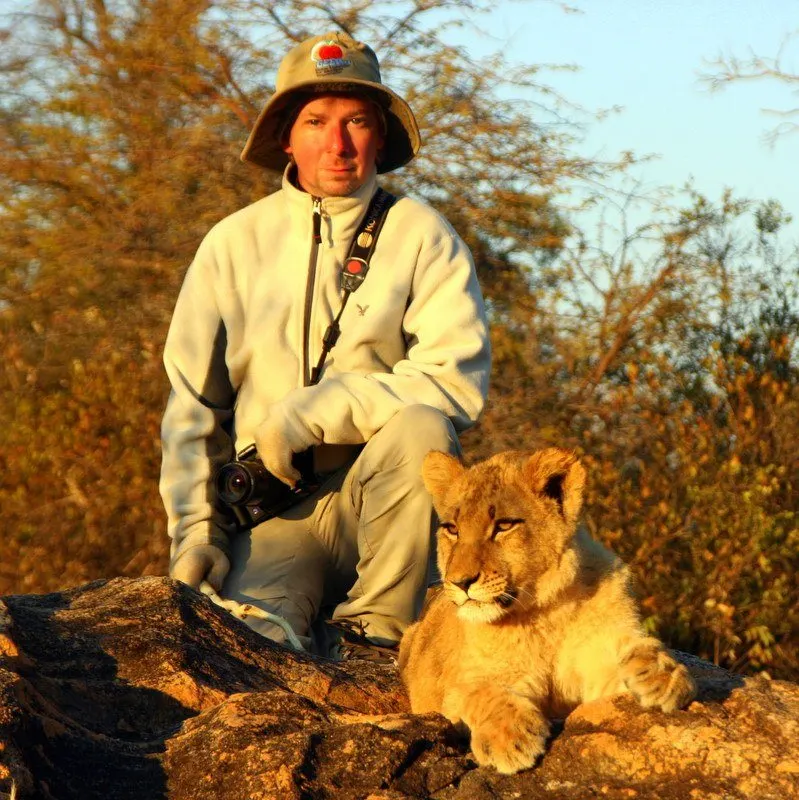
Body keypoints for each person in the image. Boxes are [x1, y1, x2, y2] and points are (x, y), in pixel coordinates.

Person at [159, 30, 491, 659]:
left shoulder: (424, 233)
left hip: (384, 506)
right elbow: (192, 410)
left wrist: (311, 412)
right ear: (287, 135)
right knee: (257, 652)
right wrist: (197, 536)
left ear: (380, 138)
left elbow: (455, 383)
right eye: (316, 121)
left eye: (356, 122)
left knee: (423, 426)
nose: (336, 144)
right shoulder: (231, 243)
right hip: (269, 521)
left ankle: (378, 637)